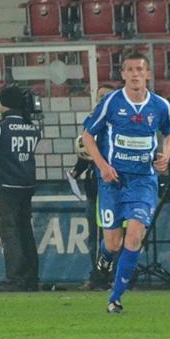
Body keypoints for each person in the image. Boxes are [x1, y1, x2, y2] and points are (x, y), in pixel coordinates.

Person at [82, 52, 170, 313]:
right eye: (130, 69)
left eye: (140, 69)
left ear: (147, 74)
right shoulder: (111, 103)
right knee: (114, 243)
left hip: (144, 180)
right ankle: (105, 256)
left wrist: (165, 157)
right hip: (112, 181)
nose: (135, 74)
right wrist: (103, 167)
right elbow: (88, 135)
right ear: (123, 74)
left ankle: (116, 297)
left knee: (134, 236)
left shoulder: (160, 106)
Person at [0, 86, 42, 292]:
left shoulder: (0, 127)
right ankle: (31, 277)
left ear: (3, 103)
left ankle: (14, 277)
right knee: (26, 231)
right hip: (27, 184)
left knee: (10, 233)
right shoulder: (32, 127)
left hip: (6, 185)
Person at [68, 84, 117, 290]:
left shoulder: (119, 123)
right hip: (93, 191)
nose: (102, 100)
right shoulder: (92, 123)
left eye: (107, 96)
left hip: (112, 190)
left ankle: (115, 276)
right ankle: (98, 276)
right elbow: (85, 155)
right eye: (100, 97)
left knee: (113, 239)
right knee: (95, 238)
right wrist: (76, 171)